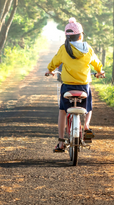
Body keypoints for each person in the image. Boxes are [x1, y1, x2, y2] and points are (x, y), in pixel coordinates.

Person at [45, 18, 105, 152]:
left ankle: (61, 142)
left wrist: (49, 70)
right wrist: (100, 71)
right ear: (81, 35)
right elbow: (96, 63)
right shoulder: (87, 49)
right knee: (88, 106)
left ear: (67, 36)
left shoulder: (64, 48)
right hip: (84, 86)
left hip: (67, 86)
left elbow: (54, 62)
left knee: (62, 111)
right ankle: (86, 126)